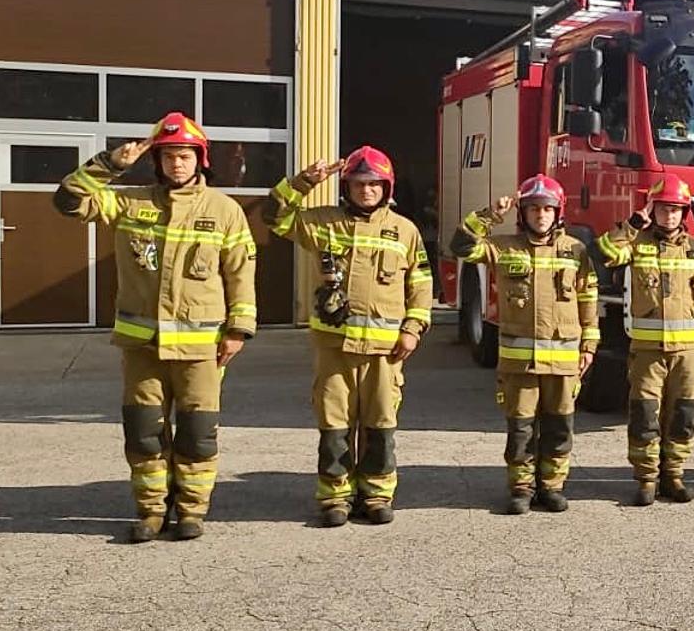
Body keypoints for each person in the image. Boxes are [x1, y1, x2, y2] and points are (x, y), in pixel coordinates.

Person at [55, 112, 257, 543]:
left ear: (200, 159)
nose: (176, 164)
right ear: (157, 162)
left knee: (197, 435)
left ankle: (190, 512)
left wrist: (239, 328)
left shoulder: (224, 211)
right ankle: (150, 512)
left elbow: (240, 273)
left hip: (201, 349)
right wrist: (109, 165)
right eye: (168, 157)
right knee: (144, 433)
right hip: (142, 346)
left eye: (184, 155)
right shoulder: (130, 202)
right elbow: (68, 201)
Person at [265, 146, 431, 527]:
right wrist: (305, 181)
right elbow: (273, 216)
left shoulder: (405, 231)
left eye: (374, 184)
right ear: (347, 187)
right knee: (335, 424)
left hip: (386, 350)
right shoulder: (323, 223)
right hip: (334, 347)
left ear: (386, 188)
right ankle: (335, 496)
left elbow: (421, 285)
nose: (366, 191)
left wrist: (412, 329)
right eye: (358, 184)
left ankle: (375, 494)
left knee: (380, 423)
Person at [452, 175, 599, 514]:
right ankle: (521, 488)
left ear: (558, 212)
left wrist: (589, 346)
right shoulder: (503, 248)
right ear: (524, 213)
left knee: (559, 426)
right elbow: (460, 245)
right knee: (521, 428)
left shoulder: (575, 251)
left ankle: (551, 487)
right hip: (519, 364)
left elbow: (588, 300)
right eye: (534, 209)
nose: (541, 216)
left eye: (547, 209)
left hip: (564, 362)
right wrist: (490, 214)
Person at [595, 174, 694, 506]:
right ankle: (646, 479)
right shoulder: (636, 243)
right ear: (654, 210)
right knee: (645, 415)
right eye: (663, 210)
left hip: (688, 353)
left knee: (683, 414)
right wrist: (635, 222)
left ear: (684, 213)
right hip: (647, 352)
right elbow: (605, 252)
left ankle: (674, 475)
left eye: (676, 210)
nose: (670, 217)